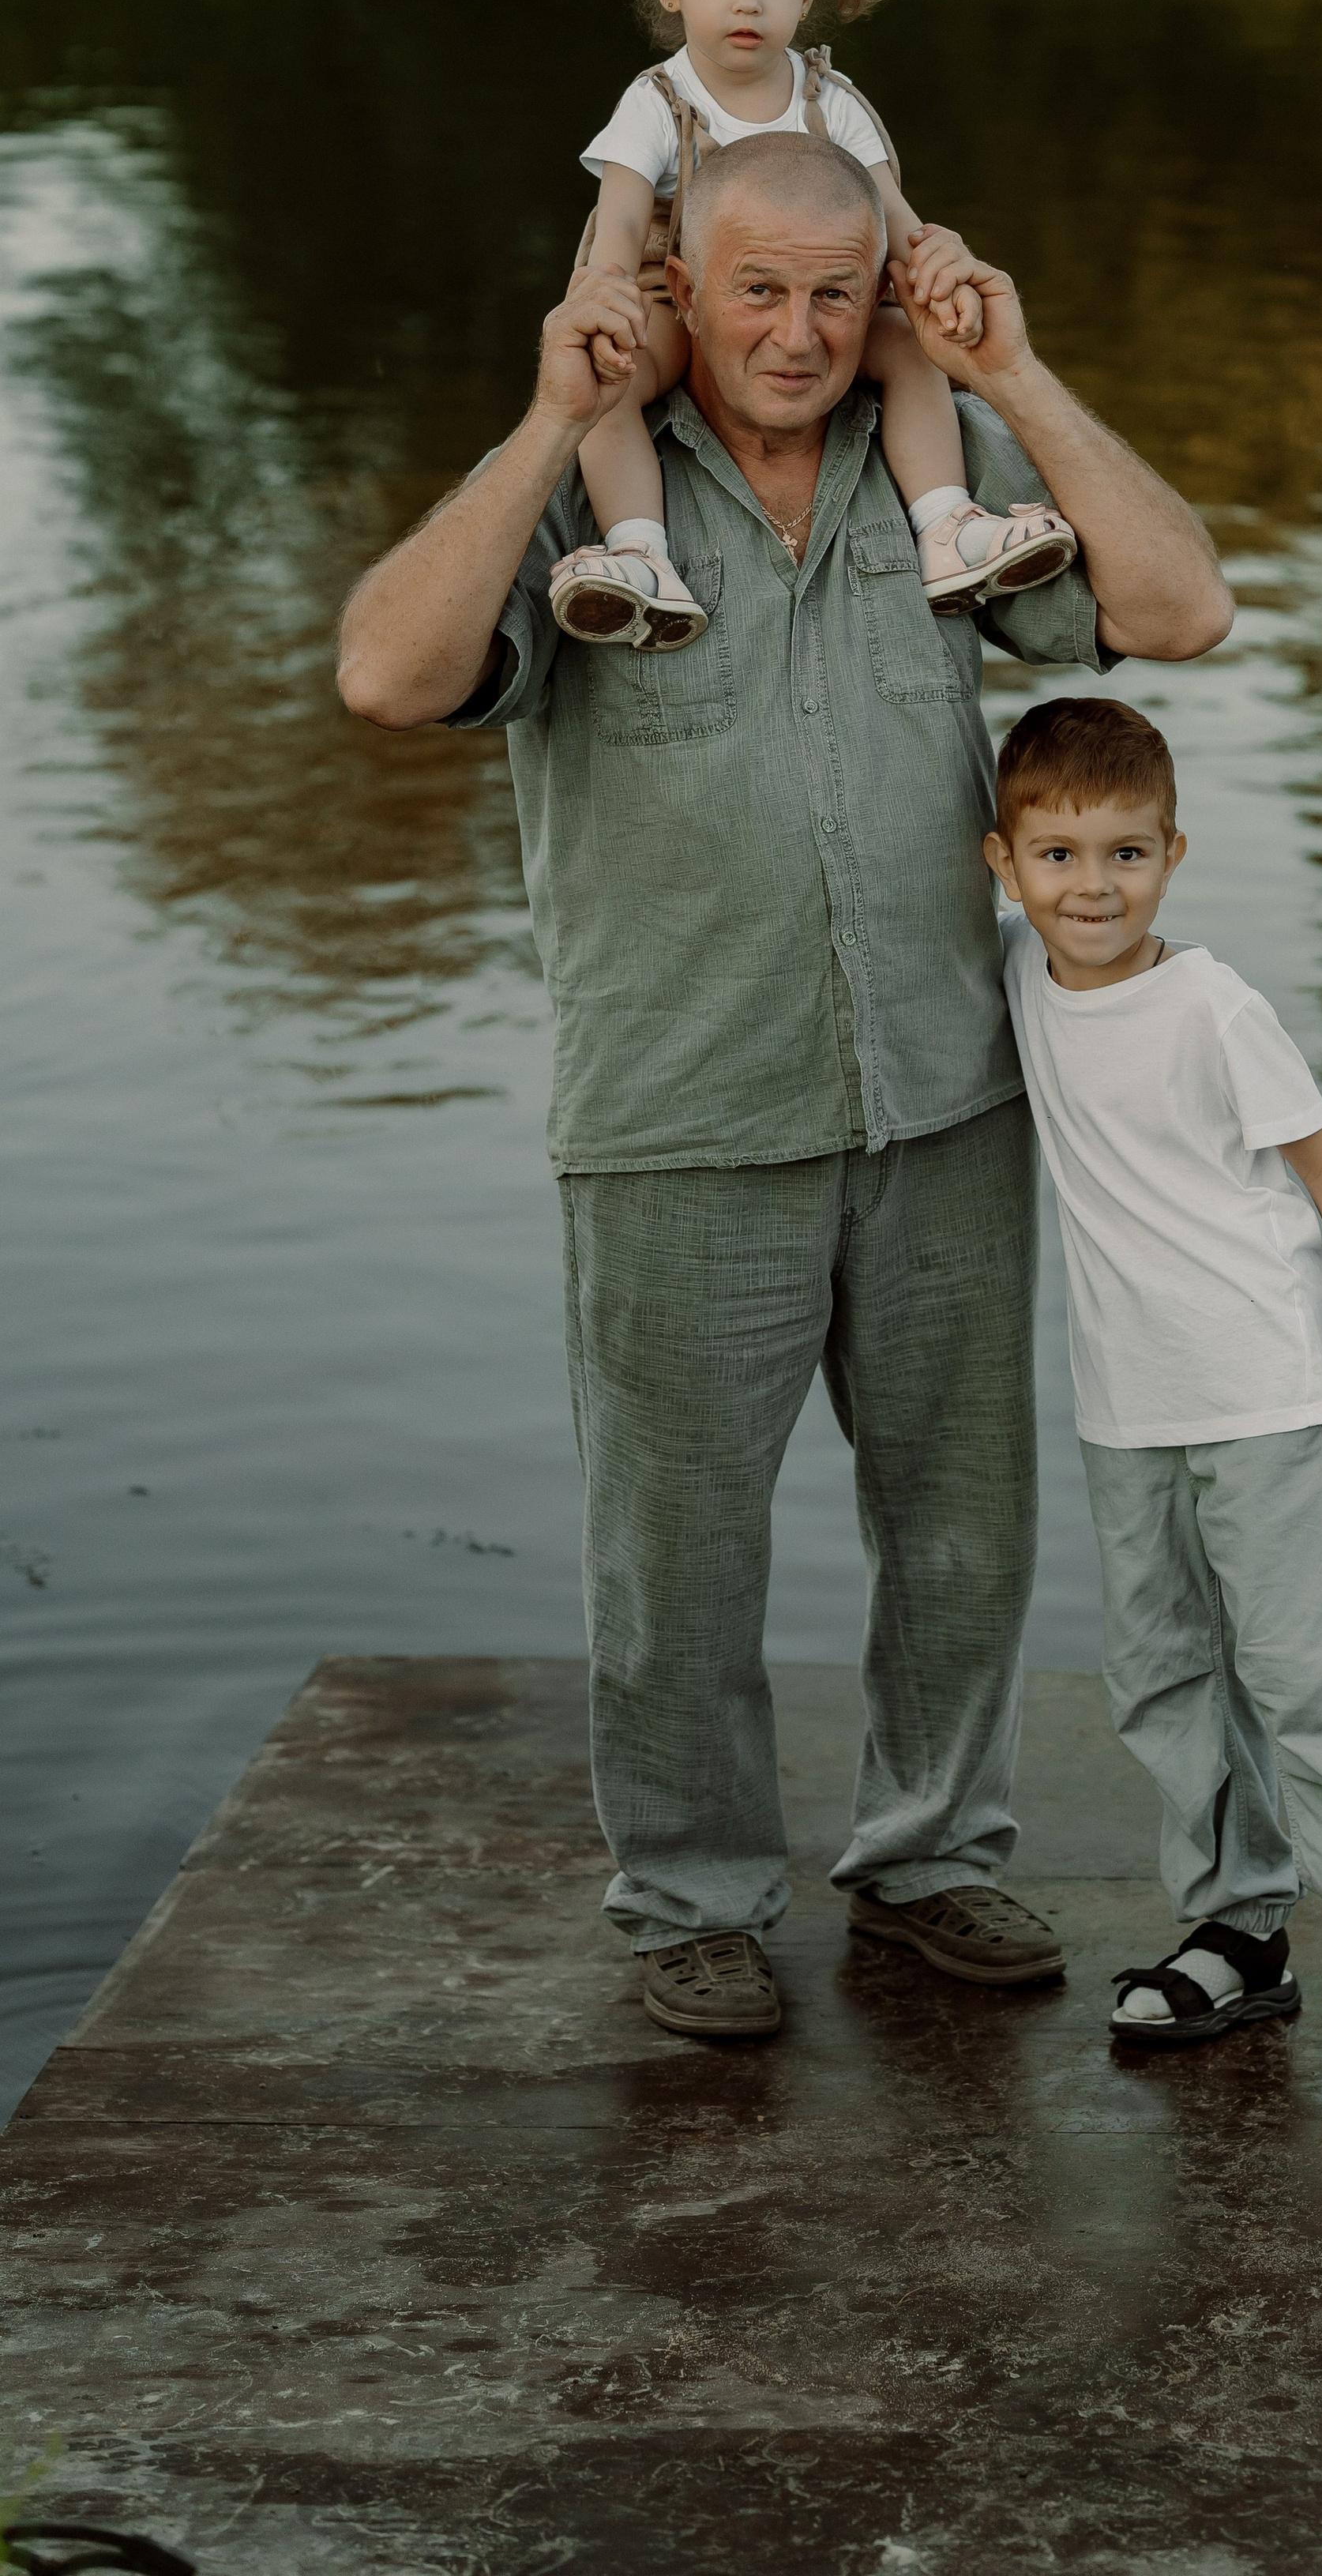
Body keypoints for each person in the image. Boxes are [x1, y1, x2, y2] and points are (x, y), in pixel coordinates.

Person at [336, 130, 1232, 2042]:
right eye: (756, 286)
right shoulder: (598, 509)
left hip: (944, 1105)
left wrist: (1004, 369)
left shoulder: (945, 482)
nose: (800, 330)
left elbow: (1177, 612)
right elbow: (388, 678)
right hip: (679, 1115)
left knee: (965, 1525)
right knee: (675, 1550)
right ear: (671, 279)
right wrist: (537, 417)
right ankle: (689, 1893)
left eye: (839, 288)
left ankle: (927, 1858)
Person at [984, 697, 1322, 2076]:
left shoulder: (1214, 1006)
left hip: (1266, 1387)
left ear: (1175, 853)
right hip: (1127, 1408)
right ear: (1005, 865)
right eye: (1062, 858)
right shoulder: (1019, 972)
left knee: (1305, 1670)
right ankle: (1238, 1931)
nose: (1095, 887)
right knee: (1161, 1676)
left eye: (1129, 855)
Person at [550, 0, 1075, 652]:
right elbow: (616, 221)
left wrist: (944, 268)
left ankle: (945, 526)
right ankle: (639, 554)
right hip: (670, 303)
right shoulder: (656, 101)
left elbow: (896, 225)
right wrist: (603, 298)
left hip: (808, 311)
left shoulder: (830, 100)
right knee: (604, 387)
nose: (747, 1)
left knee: (906, 348)